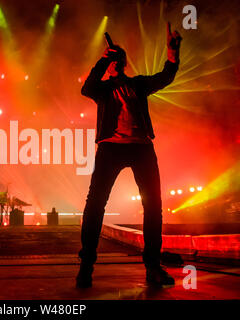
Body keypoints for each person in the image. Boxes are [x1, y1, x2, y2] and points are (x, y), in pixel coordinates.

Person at [76, 22, 182, 288]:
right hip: (111, 147)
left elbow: (165, 77)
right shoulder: (103, 89)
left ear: (123, 62)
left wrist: (172, 54)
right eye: (113, 58)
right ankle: (86, 265)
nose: (116, 62)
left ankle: (153, 267)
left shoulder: (138, 84)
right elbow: (87, 88)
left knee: (153, 206)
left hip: (142, 148)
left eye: (118, 58)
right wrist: (103, 60)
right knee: (95, 203)